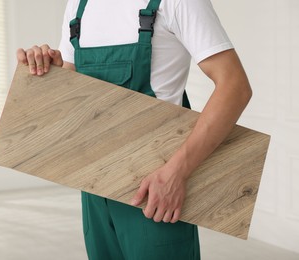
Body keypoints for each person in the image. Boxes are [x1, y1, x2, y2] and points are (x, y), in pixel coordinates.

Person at [16, 0, 252, 259]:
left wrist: (176, 173)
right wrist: (46, 67)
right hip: (94, 188)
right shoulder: (78, 5)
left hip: (156, 193)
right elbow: (75, 89)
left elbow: (235, 86)